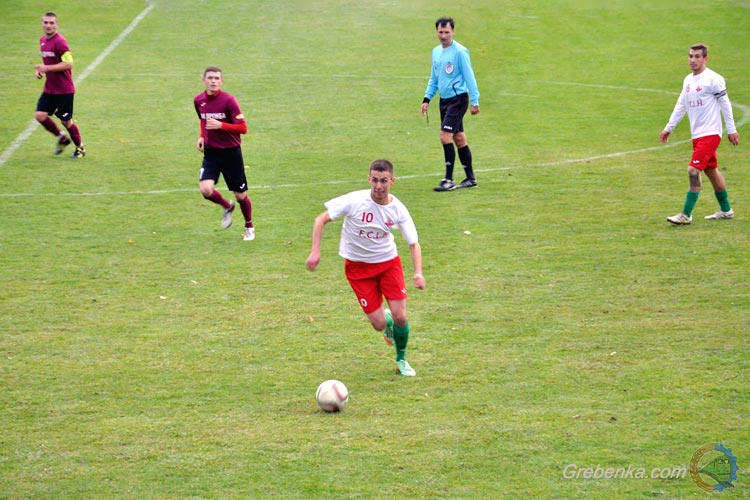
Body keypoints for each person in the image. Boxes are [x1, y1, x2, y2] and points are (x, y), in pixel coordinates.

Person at [306, 159, 426, 377]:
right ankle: (386, 320)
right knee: (378, 324)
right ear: (369, 179)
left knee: (401, 316)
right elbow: (320, 220)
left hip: (388, 264)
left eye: (384, 181)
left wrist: (418, 272)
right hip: (358, 270)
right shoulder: (354, 201)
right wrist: (315, 251)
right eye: (375, 180)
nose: (379, 186)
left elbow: (413, 243)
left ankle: (401, 359)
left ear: (392, 181)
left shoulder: (398, 209)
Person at [660, 43, 740, 225]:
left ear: (705, 59)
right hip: (697, 135)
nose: (693, 60)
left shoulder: (714, 79)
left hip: (710, 134)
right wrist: (668, 128)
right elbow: (681, 105)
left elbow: (725, 105)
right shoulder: (688, 80)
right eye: (690, 56)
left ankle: (686, 215)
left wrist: (732, 129)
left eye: (697, 56)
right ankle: (726, 210)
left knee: (693, 170)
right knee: (711, 171)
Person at [194, 66, 255, 241]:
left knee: (240, 195)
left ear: (221, 81)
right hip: (211, 153)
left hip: (231, 154)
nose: (213, 81)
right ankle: (227, 206)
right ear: (204, 80)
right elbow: (203, 120)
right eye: (210, 78)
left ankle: (249, 225)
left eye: (216, 78)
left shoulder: (229, 101)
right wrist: (202, 136)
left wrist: (221, 125)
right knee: (205, 189)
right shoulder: (198, 101)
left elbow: (243, 128)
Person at [421, 16, 480, 192]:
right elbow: (434, 78)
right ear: (436, 32)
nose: (443, 36)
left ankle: (448, 179)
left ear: (453, 31)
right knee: (459, 138)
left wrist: (475, 101)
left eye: (447, 32)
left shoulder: (460, 52)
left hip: (458, 99)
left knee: (445, 136)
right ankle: (470, 178)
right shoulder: (436, 52)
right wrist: (427, 98)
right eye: (441, 32)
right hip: (444, 101)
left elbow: (469, 76)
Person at [34, 12, 86, 158]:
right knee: (39, 115)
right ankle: (62, 139)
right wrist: (41, 71)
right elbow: (49, 61)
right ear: (42, 24)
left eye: (51, 23)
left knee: (66, 121)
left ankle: (80, 148)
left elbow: (69, 63)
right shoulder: (42, 40)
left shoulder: (60, 42)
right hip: (50, 88)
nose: (48, 25)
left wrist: (47, 68)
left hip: (64, 90)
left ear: (57, 25)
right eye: (46, 22)